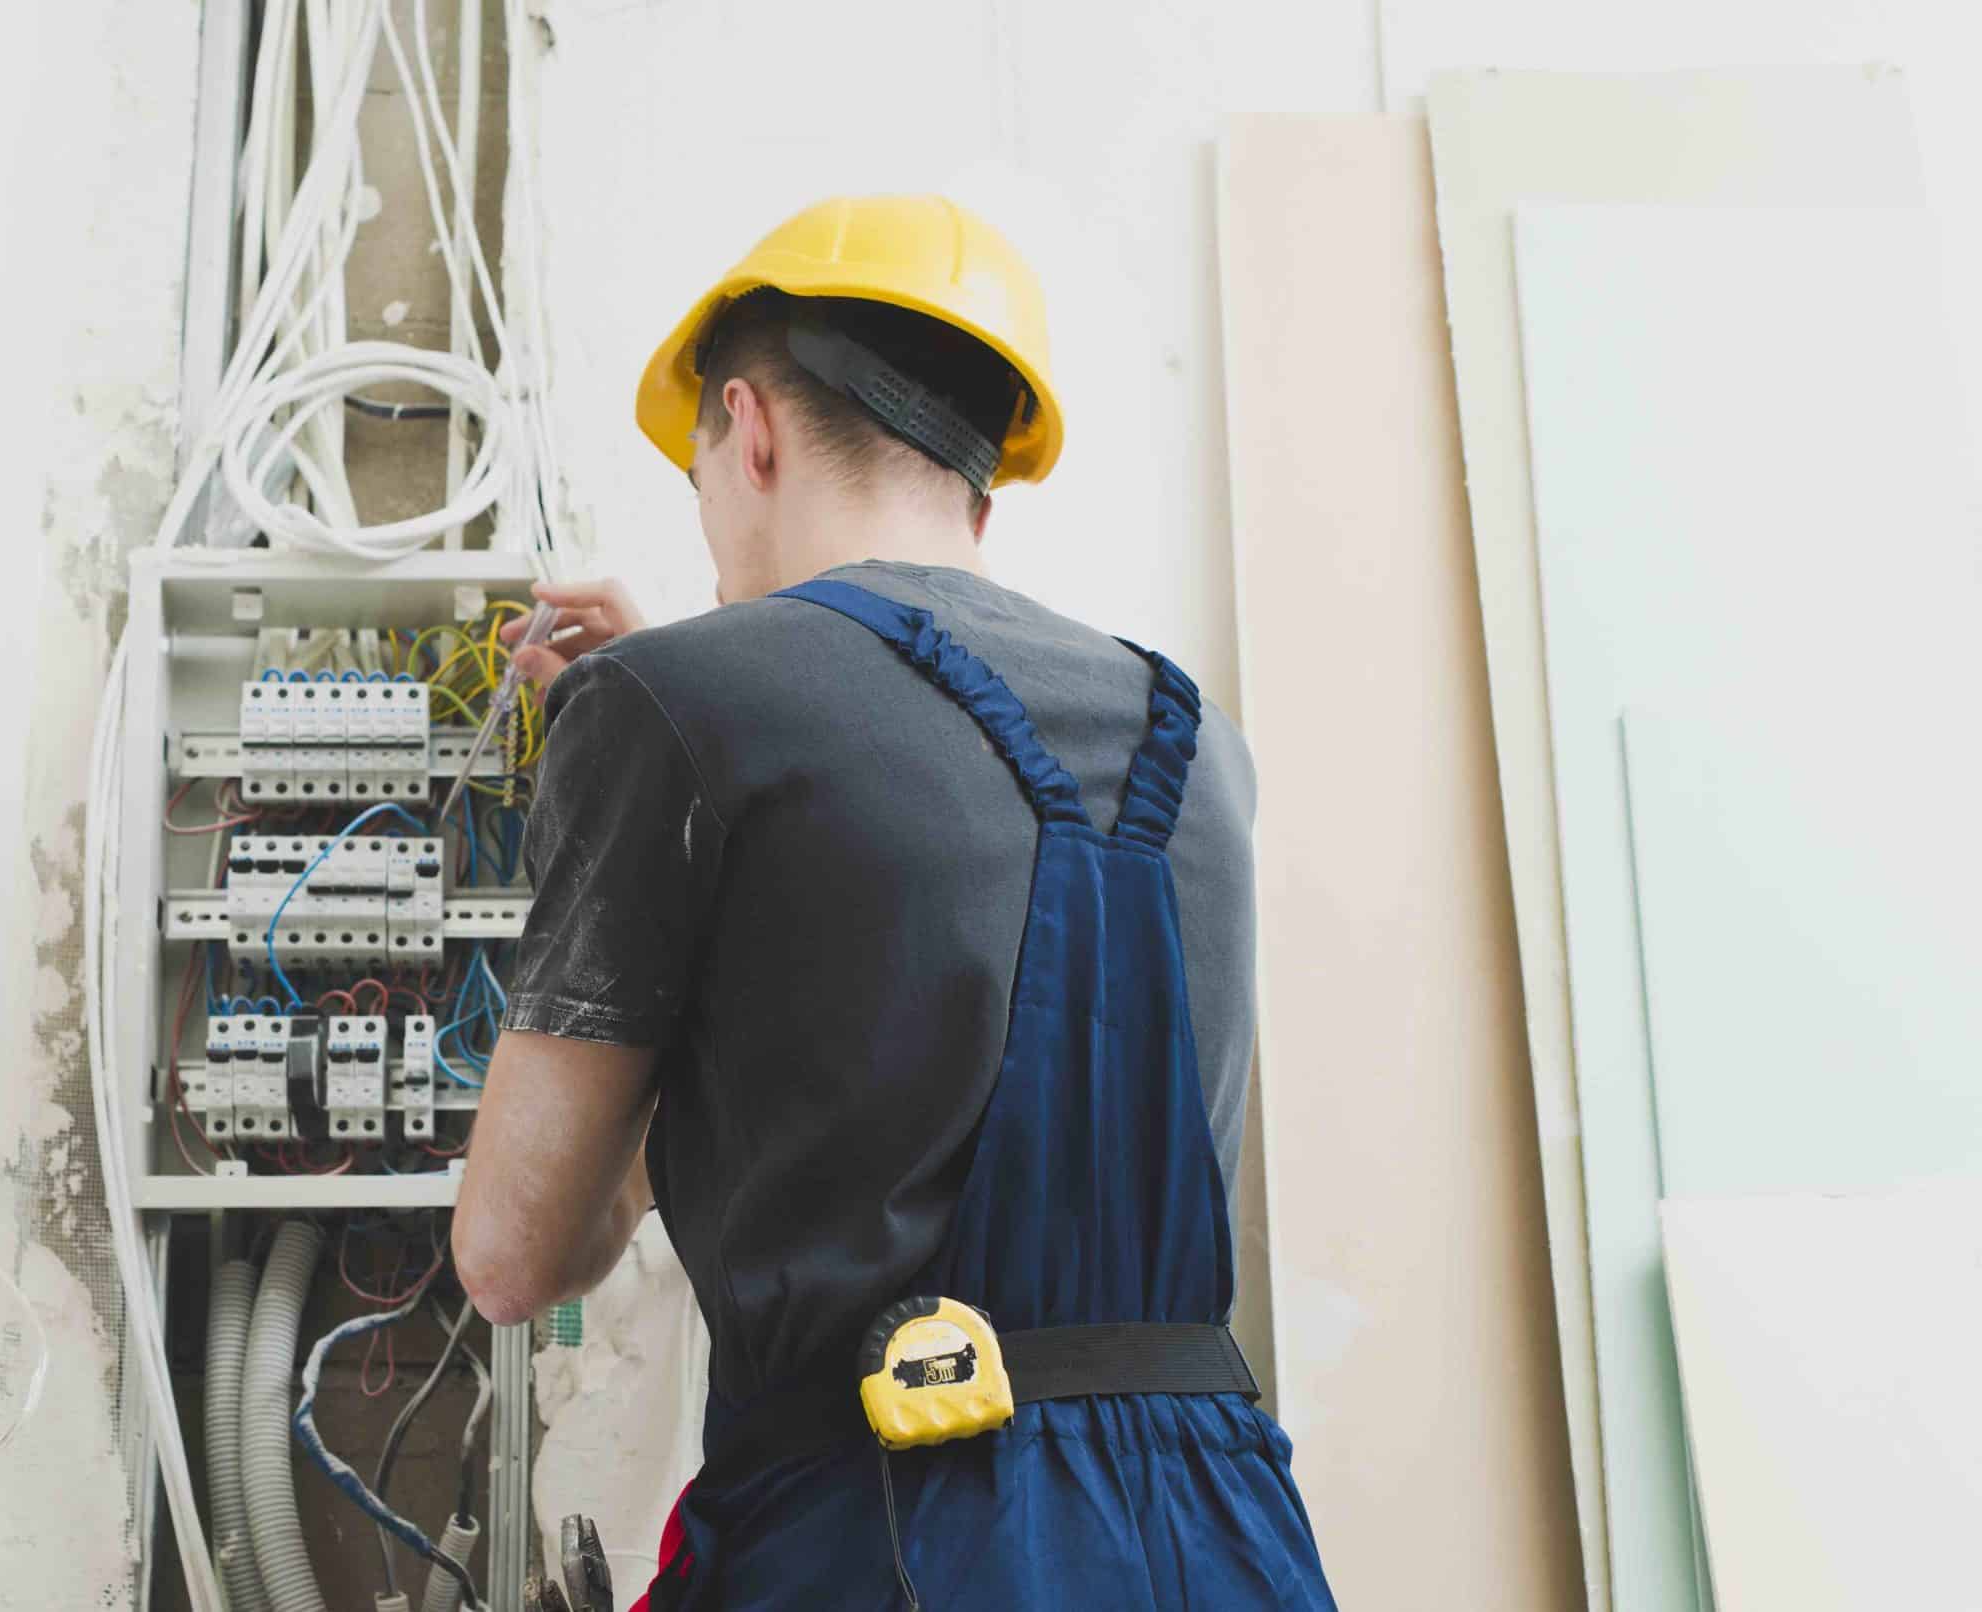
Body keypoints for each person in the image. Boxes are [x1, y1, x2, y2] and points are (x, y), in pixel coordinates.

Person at [453, 195, 1334, 1610]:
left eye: (705, 493)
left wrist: (650, 750)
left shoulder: (667, 707)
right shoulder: (1199, 740)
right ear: (982, 477)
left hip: (886, 1538)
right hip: (1219, 1544)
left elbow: (514, 1255)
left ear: (750, 429)